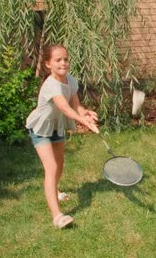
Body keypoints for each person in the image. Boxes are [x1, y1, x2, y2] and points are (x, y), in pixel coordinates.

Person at [26, 45, 100, 229]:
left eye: (65, 59)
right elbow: (64, 108)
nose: (63, 63)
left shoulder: (71, 81)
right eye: (58, 60)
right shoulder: (51, 85)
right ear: (48, 64)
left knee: (59, 165)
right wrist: (83, 122)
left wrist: (86, 114)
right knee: (50, 167)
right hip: (40, 128)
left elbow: (75, 106)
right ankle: (57, 216)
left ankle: (55, 190)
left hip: (57, 128)